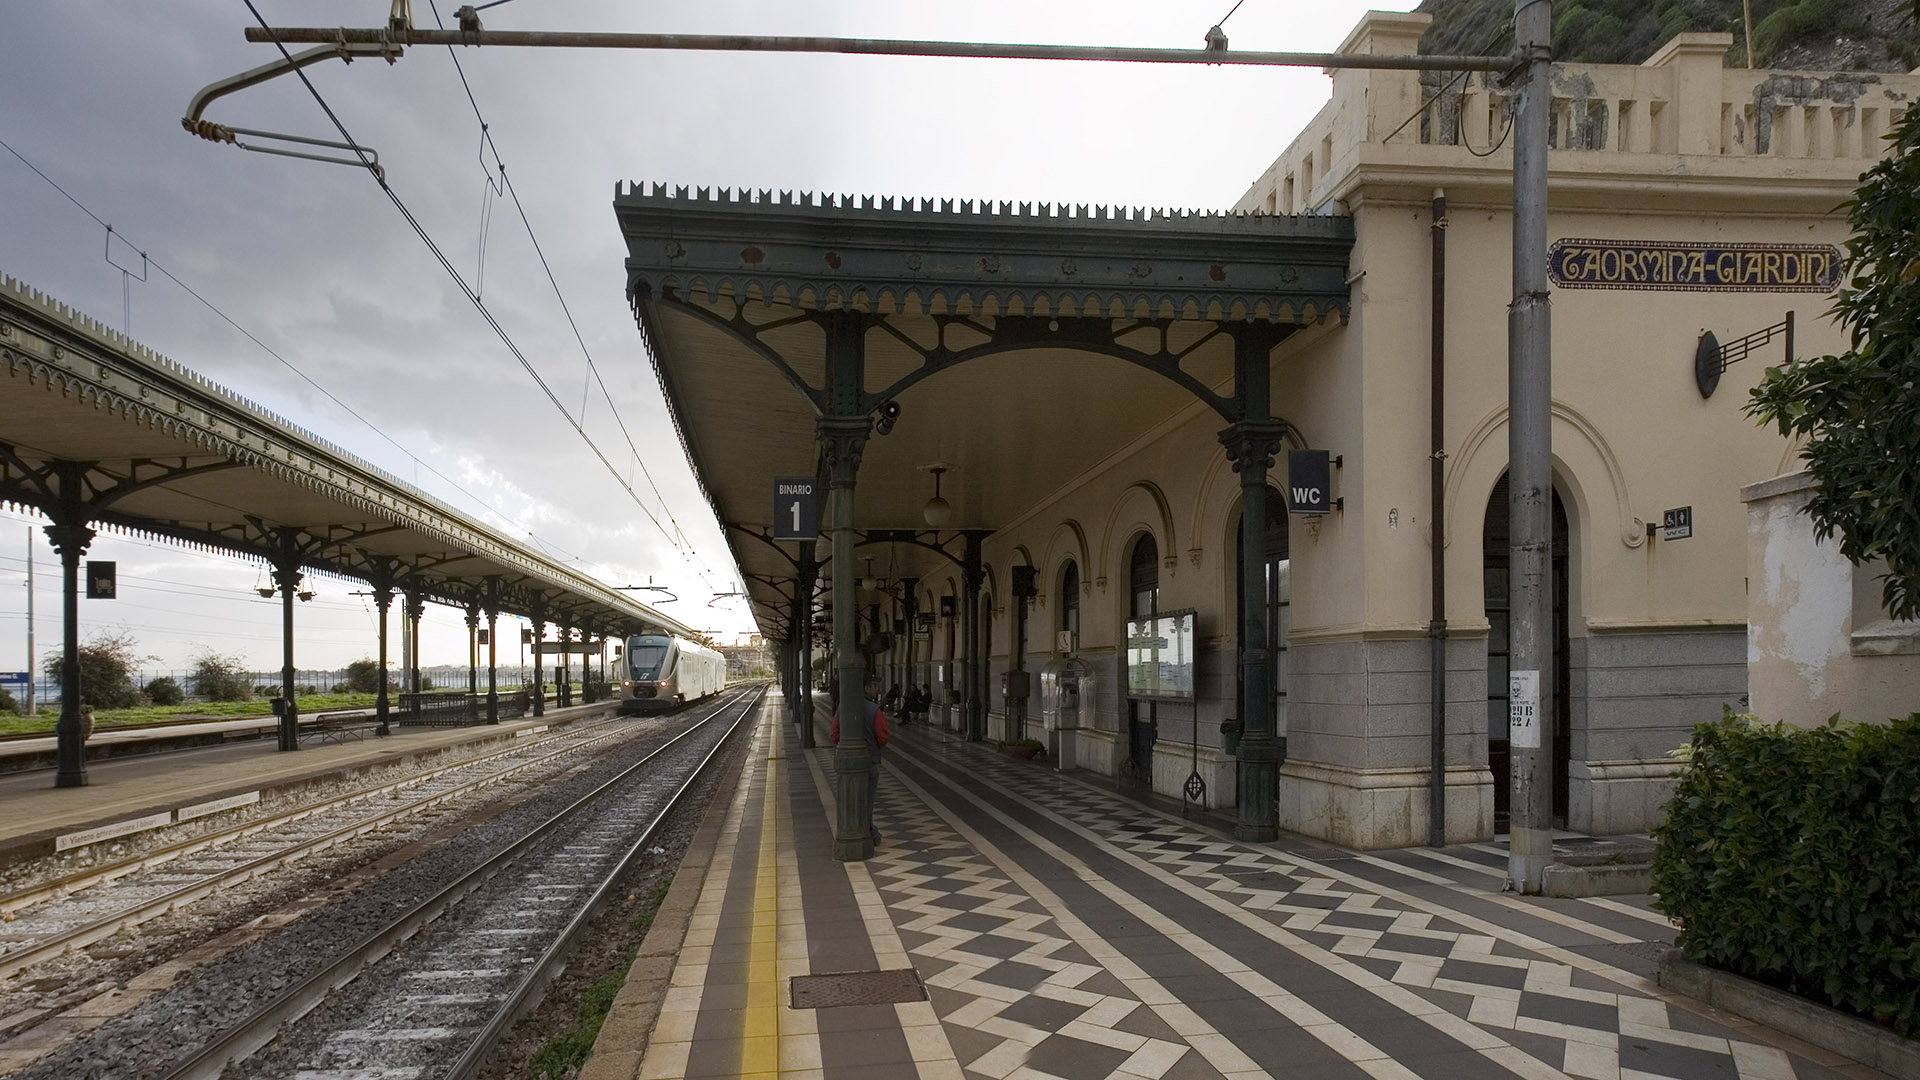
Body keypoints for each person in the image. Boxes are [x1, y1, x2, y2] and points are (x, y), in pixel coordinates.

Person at [830, 675, 890, 846]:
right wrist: (874, 747)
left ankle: (863, 830)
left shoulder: (843, 707)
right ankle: (869, 832)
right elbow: (883, 736)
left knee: (851, 801)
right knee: (867, 801)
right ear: (866, 688)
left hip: (848, 763)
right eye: (874, 686)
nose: (877, 690)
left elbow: (834, 733)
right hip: (871, 761)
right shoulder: (875, 710)